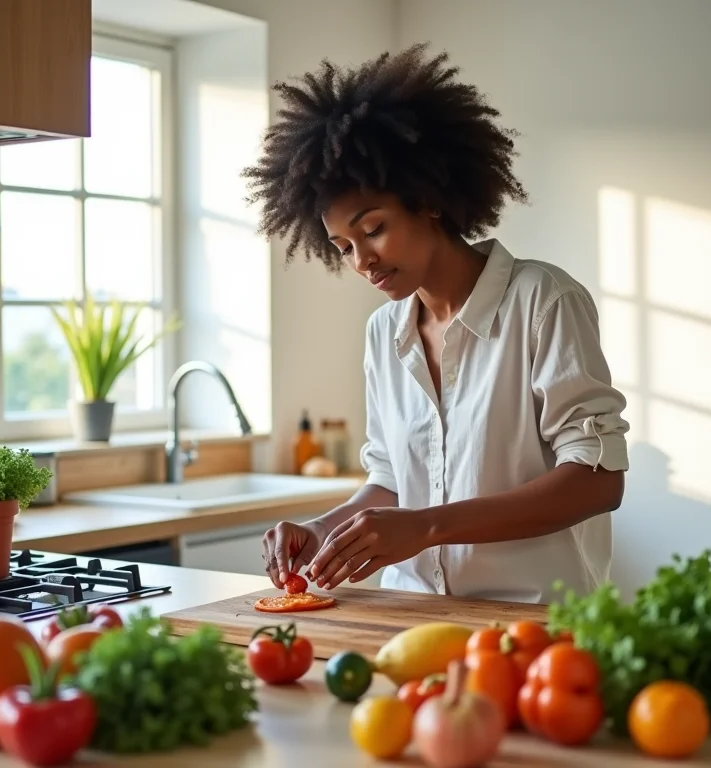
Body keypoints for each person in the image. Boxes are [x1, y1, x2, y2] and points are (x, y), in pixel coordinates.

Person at [244, 44, 629, 604]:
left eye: (373, 230)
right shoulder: (384, 331)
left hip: (533, 618)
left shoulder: (543, 301)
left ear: (427, 200)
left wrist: (428, 526)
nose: (362, 261)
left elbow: (598, 480)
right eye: (344, 246)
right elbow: (390, 481)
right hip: (410, 613)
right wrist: (323, 528)